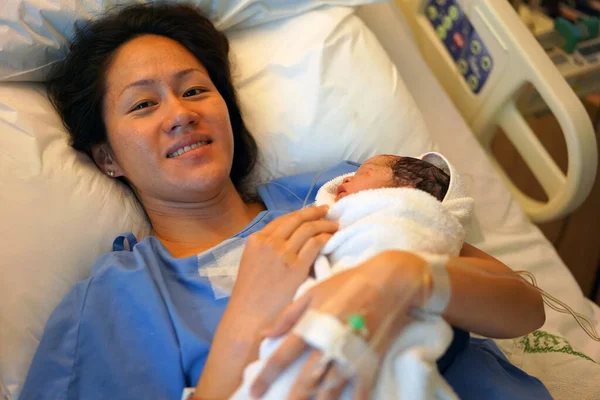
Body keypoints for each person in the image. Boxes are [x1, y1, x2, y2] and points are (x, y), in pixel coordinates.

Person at [20, 4, 548, 400]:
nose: (180, 113)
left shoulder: (344, 190)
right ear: (108, 156)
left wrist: (404, 278)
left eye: (196, 90)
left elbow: (524, 308)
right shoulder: (112, 304)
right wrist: (246, 318)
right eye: (143, 104)